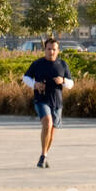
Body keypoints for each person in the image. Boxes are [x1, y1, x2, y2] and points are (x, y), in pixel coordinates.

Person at [22, 37, 74, 168]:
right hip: (41, 100)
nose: (51, 52)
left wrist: (62, 81)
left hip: (57, 102)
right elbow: (25, 78)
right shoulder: (37, 64)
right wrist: (35, 84)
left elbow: (71, 84)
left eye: (54, 49)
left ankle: (43, 155)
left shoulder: (62, 64)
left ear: (58, 50)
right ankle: (43, 157)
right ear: (44, 49)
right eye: (49, 49)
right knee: (47, 123)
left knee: (51, 132)